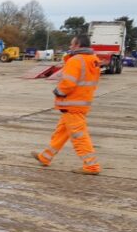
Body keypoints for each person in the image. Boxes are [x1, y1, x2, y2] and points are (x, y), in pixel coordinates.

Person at [33, 34, 101, 174]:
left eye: (71, 44)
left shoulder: (76, 60)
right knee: (61, 133)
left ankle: (91, 166)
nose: (70, 47)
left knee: (79, 136)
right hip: (82, 102)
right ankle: (45, 157)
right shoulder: (93, 60)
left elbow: (68, 82)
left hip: (72, 104)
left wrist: (58, 92)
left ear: (78, 45)